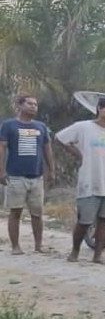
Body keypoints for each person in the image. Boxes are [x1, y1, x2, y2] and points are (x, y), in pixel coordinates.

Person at [55, 97, 105, 263]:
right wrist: (76, 153)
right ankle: (75, 251)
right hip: (89, 181)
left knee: (104, 221)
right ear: (99, 108)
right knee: (85, 221)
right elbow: (60, 138)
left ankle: (98, 255)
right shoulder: (83, 126)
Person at [0, 95, 54, 254]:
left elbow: (47, 148)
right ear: (20, 105)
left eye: (36, 104)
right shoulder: (9, 125)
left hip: (36, 176)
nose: (33, 107)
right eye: (29, 103)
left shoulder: (41, 126)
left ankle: (38, 246)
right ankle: (15, 246)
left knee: (37, 213)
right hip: (15, 176)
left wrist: (52, 170)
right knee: (15, 211)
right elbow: (2, 148)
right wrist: (1, 171)